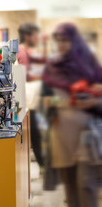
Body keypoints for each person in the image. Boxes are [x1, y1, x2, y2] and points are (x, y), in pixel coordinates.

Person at [42, 23, 102, 207]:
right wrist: (52, 104)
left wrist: (94, 101)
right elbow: (45, 101)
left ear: (74, 41)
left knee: (86, 185)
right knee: (70, 187)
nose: (61, 44)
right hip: (61, 135)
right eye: (58, 40)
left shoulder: (90, 65)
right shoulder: (51, 67)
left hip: (88, 133)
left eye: (65, 40)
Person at [17, 23, 47, 167]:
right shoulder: (21, 52)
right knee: (34, 132)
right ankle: (43, 164)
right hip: (27, 99)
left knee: (35, 132)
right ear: (27, 35)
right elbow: (25, 76)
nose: (37, 38)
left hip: (28, 98)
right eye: (35, 35)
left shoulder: (24, 51)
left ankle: (43, 163)